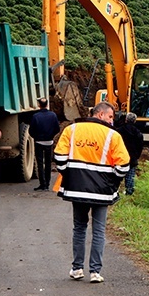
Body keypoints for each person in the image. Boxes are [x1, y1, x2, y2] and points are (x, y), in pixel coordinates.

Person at [53, 101, 130, 283]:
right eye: (110, 116)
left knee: (79, 228)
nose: (112, 120)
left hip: (77, 189)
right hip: (102, 192)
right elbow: (123, 165)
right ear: (101, 114)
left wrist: (69, 174)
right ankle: (95, 272)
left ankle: (77, 268)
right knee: (99, 231)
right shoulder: (113, 135)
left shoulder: (72, 130)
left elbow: (59, 157)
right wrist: (112, 181)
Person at [30, 98, 60, 191]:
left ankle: (42, 184)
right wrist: (51, 136)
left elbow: (31, 130)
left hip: (39, 142)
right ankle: (47, 184)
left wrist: (36, 137)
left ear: (39, 105)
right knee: (48, 163)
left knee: (40, 163)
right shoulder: (53, 115)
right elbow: (57, 129)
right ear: (47, 105)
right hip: (49, 142)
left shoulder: (36, 116)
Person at [115, 112, 145, 196]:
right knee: (130, 177)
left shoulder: (118, 131)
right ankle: (129, 193)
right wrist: (136, 156)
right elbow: (140, 147)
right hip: (132, 158)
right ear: (135, 121)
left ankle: (115, 192)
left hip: (120, 157)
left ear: (125, 119)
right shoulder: (138, 133)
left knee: (117, 176)